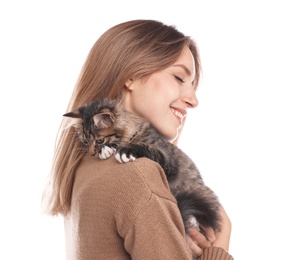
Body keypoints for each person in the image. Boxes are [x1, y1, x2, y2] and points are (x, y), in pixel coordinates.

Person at [43, 19, 233, 259]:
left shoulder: (84, 168)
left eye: (193, 85)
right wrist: (220, 248)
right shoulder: (138, 175)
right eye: (179, 78)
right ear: (131, 75)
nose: (193, 99)